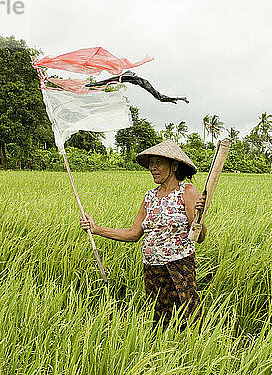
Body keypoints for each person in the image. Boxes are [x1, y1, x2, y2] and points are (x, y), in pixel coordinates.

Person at [80, 139, 206, 328]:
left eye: (158, 163)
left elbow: (200, 237)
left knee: (188, 318)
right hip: (152, 269)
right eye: (151, 163)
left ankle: (194, 352)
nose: (152, 168)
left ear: (173, 165)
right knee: (160, 322)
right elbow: (133, 233)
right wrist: (96, 229)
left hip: (178, 267)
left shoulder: (186, 191)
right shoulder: (150, 196)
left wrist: (199, 217)